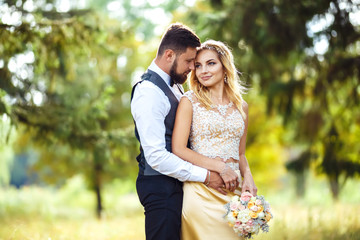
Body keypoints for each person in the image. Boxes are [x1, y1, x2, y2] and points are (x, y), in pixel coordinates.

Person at [130, 24, 238, 240]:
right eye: (190, 61)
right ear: (169, 55)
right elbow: (156, 157)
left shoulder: (176, 86)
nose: (192, 68)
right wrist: (207, 175)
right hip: (160, 189)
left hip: (183, 186)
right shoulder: (148, 93)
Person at [172, 40, 257, 239]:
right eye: (198, 66)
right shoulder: (189, 101)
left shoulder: (241, 106)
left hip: (233, 192)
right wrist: (221, 168)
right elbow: (178, 149)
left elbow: (241, 153)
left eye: (211, 63)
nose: (203, 70)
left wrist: (248, 176)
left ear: (225, 66)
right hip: (202, 191)